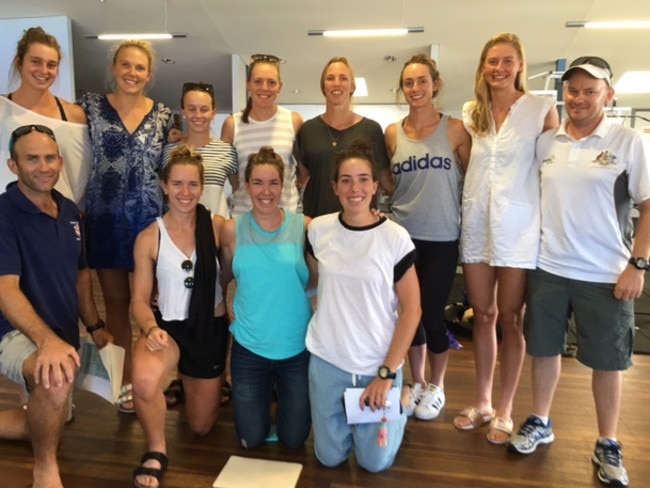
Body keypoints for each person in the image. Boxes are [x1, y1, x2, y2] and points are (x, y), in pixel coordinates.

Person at [507, 56, 650, 487]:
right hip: (548, 267)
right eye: (573, 90)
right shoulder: (547, 142)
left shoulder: (628, 141)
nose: (580, 98)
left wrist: (637, 265)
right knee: (544, 351)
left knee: (608, 361)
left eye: (591, 90)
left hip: (606, 273)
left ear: (608, 94)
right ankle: (541, 420)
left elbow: (648, 206)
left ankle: (608, 440)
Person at [454, 32, 559, 444]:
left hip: (518, 228)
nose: (499, 68)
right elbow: (464, 167)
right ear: (482, 66)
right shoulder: (470, 113)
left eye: (507, 61)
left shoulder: (540, 109)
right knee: (482, 315)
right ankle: (482, 402)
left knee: (512, 320)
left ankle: (505, 409)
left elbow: (551, 173)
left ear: (520, 65)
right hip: (478, 224)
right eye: (492, 61)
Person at [0, 125, 110, 488]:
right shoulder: (3, 214)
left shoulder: (69, 211)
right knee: (56, 376)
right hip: (14, 331)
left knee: (55, 417)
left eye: (49, 158)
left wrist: (94, 326)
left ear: (60, 161)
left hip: (62, 333)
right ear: (13, 165)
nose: (43, 166)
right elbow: (6, 290)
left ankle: (38, 405)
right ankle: (45, 470)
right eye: (31, 158)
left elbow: (80, 276)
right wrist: (47, 342)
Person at [306, 140, 421, 472]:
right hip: (328, 361)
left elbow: (412, 311)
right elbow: (312, 282)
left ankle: (400, 400)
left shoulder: (395, 238)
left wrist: (387, 374)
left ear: (374, 186)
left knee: (374, 464)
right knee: (329, 458)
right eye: (345, 180)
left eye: (362, 179)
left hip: (377, 365)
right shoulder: (318, 230)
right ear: (334, 187)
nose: (354, 187)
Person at [78, 40, 173, 414]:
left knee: (152, 304)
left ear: (149, 75)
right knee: (116, 306)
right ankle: (125, 383)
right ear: (114, 68)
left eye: (140, 68)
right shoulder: (89, 107)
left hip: (150, 221)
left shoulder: (164, 114)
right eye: (126, 65)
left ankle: (156, 380)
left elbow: (169, 162)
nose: (133, 73)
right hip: (104, 218)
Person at [130, 146, 228, 488]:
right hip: (167, 329)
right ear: (164, 186)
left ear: (202, 188)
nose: (185, 193)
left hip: (209, 329)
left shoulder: (218, 228)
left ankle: (192, 384)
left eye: (192, 185)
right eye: (177, 184)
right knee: (143, 381)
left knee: (200, 427)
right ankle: (157, 448)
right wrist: (150, 327)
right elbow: (139, 301)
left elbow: (234, 271)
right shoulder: (148, 238)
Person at [384, 54, 471, 421]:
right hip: (403, 237)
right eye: (408, 82)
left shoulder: (455, 129)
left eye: (422, 81)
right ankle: (416, 380)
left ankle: (437, 385)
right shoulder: (392, 132)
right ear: (402, 88)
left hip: (441, 237)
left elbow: (472, 179)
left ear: (435, 84)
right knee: (409, 314)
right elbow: (389, 183)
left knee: (433, 314)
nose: (415, 88)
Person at [220, 146, 313, 449]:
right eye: (258, 183)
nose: (266, 191)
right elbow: (224, 279)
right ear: (246, 186)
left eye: (273, 182)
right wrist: (228, 308)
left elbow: (320, 275)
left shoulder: (305, 227)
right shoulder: (232, 230)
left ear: (283, 185)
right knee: (251, 439)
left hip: (296, 348)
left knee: (295, 439)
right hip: (250, 350)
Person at [0, 26, 91, 205]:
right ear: (20, 63)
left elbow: (82, 177)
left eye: (51, 65)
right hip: (7, 220)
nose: (44, 70)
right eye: (36, 61)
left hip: (60, 217)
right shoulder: (2, 108)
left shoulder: (74, 115)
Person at [297, 56, 391, 217]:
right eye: (330, 78)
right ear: (323, 87)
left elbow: (384, 181)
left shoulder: (371, 130)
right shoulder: (308, 130)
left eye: (343, 78)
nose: (336, 83)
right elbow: (301, 180)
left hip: (359, 225)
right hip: (318, 223)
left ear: (352, 87)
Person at [221, 54, 302, 216]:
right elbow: (230, 172)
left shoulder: (293, 121)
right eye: (258, 81)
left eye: (271, 82)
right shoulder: (232, 125)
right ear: (248, 84)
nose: (264, 88)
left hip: (286, 218)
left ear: (280, 86)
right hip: (244, 217)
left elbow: (304, 169)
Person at [162, 81, 238, 219]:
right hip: (179, 231)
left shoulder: (227, 151)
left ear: (213, 113)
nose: (198, 115)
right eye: (191, 109)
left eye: (204, 109)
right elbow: (165, 194)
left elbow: (238, 192)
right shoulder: (168, 151)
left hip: (217, 233)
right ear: (183, 111)